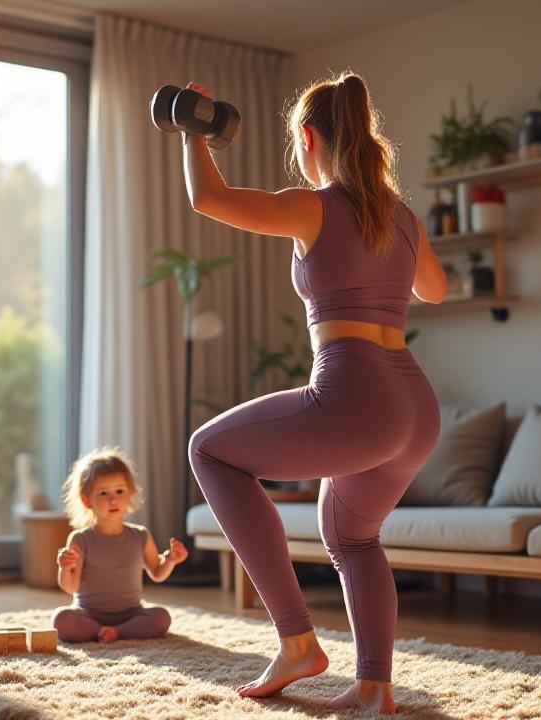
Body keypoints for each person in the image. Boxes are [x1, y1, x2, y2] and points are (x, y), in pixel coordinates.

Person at [183, 72, 447, 713]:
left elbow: (207, 199)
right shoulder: (401, 217)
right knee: (354, 538)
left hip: (357, 397)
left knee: (210, 452)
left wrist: (193, 133)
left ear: (308, 138)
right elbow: (434, 291)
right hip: (416, 405)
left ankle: (297, 639)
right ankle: (374, 688)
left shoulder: (314, 206)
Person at [51, 447, 188, 643]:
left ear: (130, 493)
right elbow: (71, 586)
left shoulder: (140, 535)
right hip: (88, 614)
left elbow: (157, 572)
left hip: (131, 614)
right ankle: (102, 630)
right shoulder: (80, 539)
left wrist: (171, 559)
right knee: (61, 619)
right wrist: (64, 567)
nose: (113, 499)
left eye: (119, 491)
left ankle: (117, 631)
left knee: (161, 617)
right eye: (103, 493)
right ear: (86, 500)